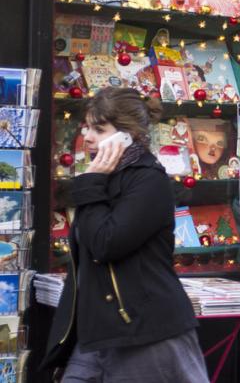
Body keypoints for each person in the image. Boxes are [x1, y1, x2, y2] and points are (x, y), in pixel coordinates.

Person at [38, 87, 208, 383]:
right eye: (87, 127)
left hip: (145, 332)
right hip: (98, 333)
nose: (88, 136)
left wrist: (91, 182)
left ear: (127, 135)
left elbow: (106, 243)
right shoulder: (103, 180)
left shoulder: (148, 181)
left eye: (99, 129)